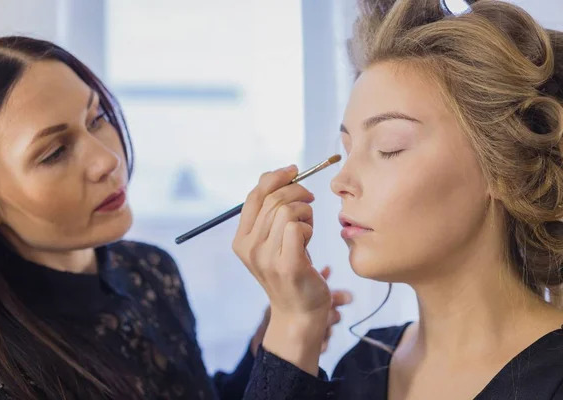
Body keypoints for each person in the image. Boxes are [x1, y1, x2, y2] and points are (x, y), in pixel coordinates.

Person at [0, 36, 352, 400]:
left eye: (96, 119)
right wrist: (293, 331)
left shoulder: (149, 270)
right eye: (54, 153)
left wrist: (265, 349)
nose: (107, 160)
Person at [235, 0, 563, 399]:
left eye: (389, 148)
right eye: (347, 147)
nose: (340, 182)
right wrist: (294, 323)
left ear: (504, 169)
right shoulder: (363, 367)